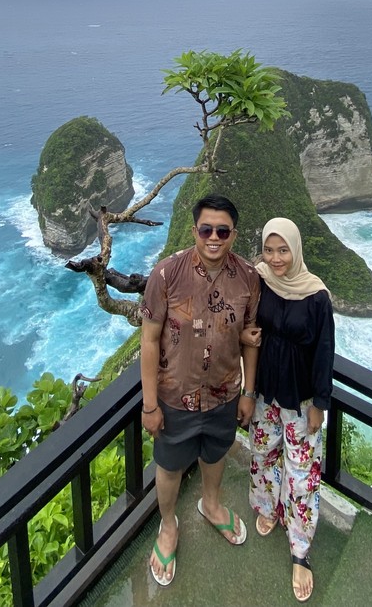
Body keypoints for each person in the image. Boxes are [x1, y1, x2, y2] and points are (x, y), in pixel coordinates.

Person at [139, 193, 261, 587]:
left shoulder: (248, 277)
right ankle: (168, 525)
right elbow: (149, 340)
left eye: (222, 231)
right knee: (169, 467)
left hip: (225, 394)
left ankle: (211, 504)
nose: (213, 237)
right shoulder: (166, 274)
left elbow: (251, 338)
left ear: (233, 235)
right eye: (206, 229)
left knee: (216, 454)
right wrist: (150, 405)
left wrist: (248, 393)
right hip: (174, 397)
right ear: (194, 230)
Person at [241, 217, 335, 603]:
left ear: (295, 249)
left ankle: (300, 549)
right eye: (269, 250)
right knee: (262, 452)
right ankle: (266, 506)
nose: (276, 258)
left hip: (301, 398)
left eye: (283, 250)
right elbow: (245, 319)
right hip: (265, 390)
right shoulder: (259, 279)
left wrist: (320, 403)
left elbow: (324, 352)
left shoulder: (316, 296)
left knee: (302, 474)